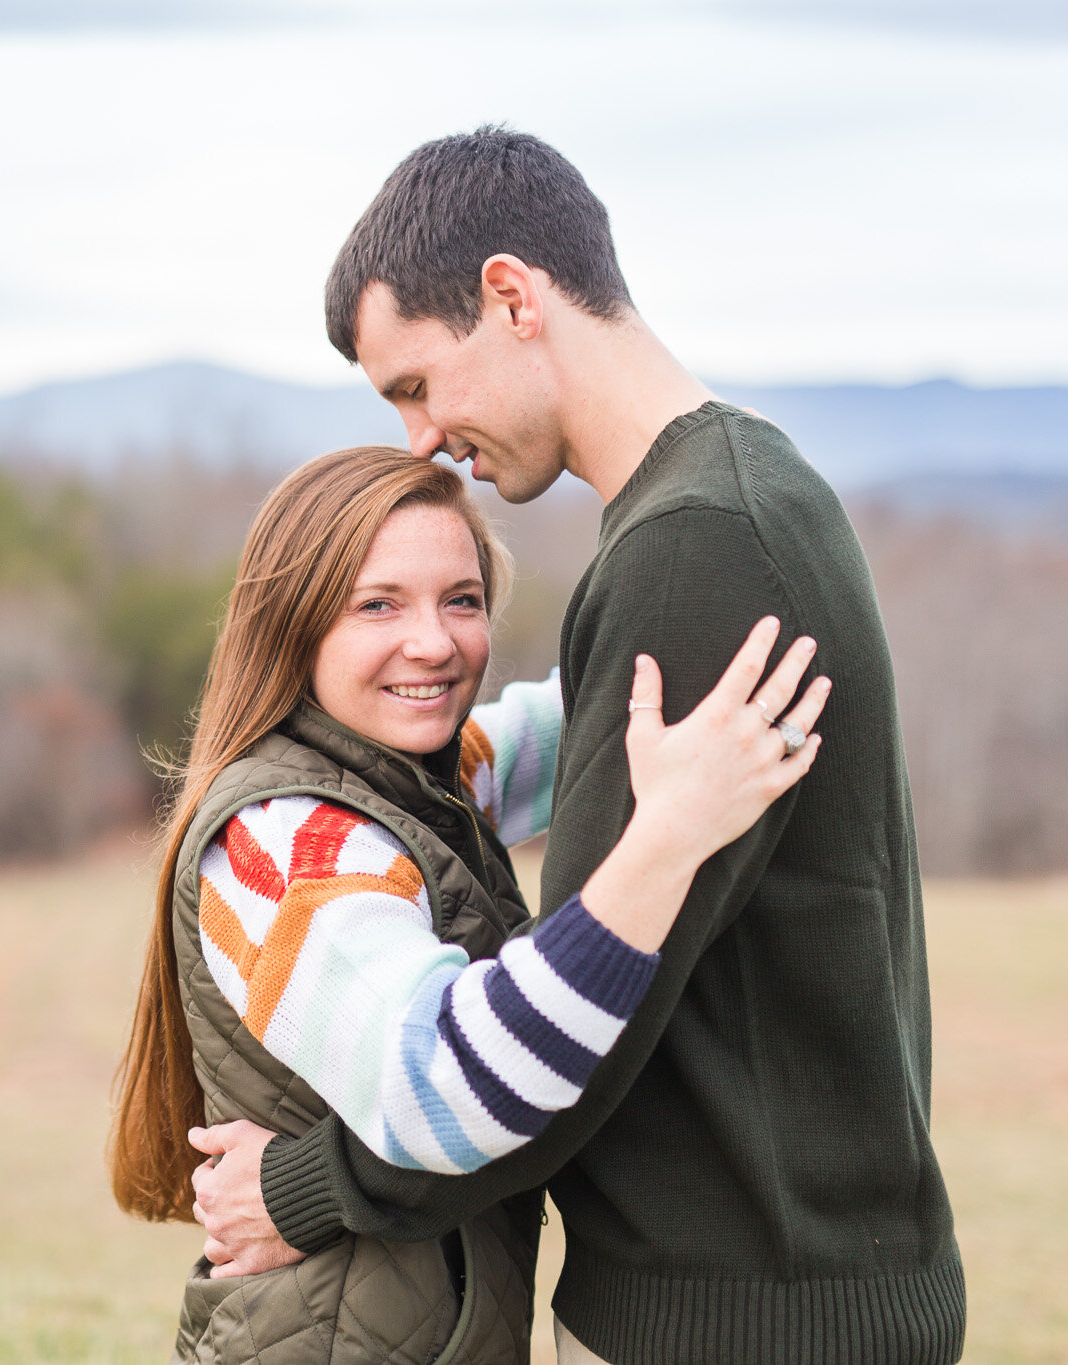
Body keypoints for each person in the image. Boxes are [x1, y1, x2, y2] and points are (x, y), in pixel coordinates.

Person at [186, 128, 965, 1365]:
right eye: (373, 605)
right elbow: (514, 756)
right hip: (787, 1286)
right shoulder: (748, 492)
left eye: (415, 382)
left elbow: (580, 1031)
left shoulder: (692, 549)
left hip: (733, 1313)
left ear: (509, 297)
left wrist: (303, 1191)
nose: (421, 436)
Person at [110, 445, 826, 1363]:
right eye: (378, 604)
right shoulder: (287, 843)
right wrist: (671, 835)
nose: (436, 642)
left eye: (463, 598)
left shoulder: (417, 783)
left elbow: (587, 708)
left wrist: (715, 542)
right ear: (292, 626)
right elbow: (440, 1085)